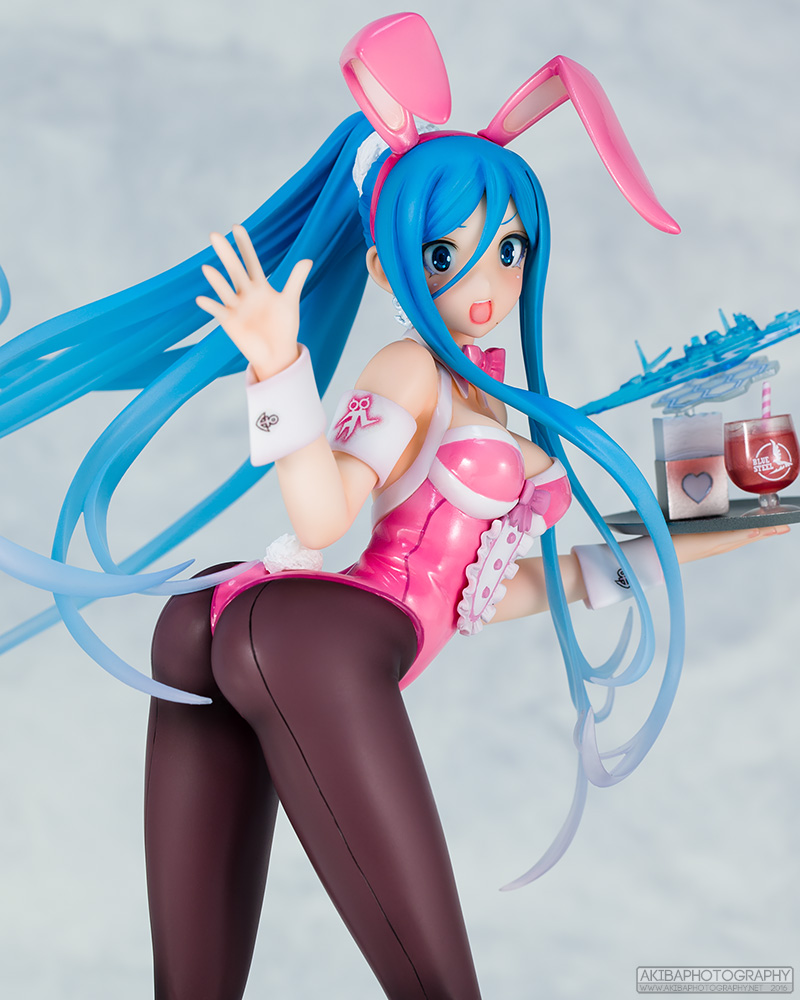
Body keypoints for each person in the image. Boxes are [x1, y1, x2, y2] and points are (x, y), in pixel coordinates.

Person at [0, 13, 787, 1000]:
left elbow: (500, 589)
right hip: (317, 631)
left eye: (509, 249)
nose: (487, 284)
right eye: (448, 256)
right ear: (388, 270)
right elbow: (325, 519)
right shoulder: (409, 368)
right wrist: (278, 368)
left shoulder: (494, 400)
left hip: (272, 626)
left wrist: (733, 515)